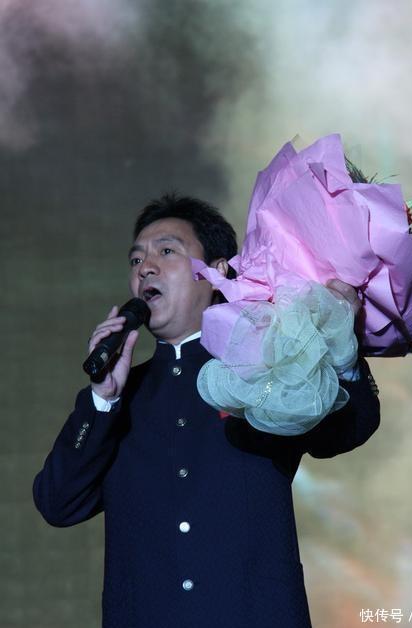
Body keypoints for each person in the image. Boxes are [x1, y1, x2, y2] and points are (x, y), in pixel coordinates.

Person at [33, 193, 381, 628]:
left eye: (166, 252)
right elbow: (58, 504)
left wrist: (342, 345)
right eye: (136, 259)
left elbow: (347, 430)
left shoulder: (265, 368)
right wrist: (102, 398)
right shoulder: (116, 400)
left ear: (216, 272)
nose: (145, 268)